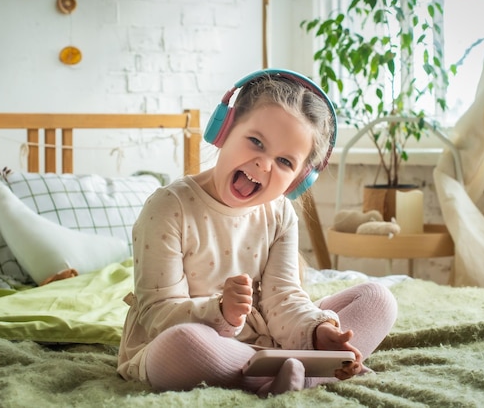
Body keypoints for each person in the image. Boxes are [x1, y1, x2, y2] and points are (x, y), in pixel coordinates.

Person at [117, 69, 398, 396]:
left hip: (266, 335)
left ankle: (288, 368)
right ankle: (310, 371)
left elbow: (283, 298)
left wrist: (318, 330)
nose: (264, 165)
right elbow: (158, 314)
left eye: (284, 161)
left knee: (379, 299)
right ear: (224, 130)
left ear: (298, 180)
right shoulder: (168, 207)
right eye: (256, 142)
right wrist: (220, 311)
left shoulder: (280, 213)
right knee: (183, 346)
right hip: (188, 338)